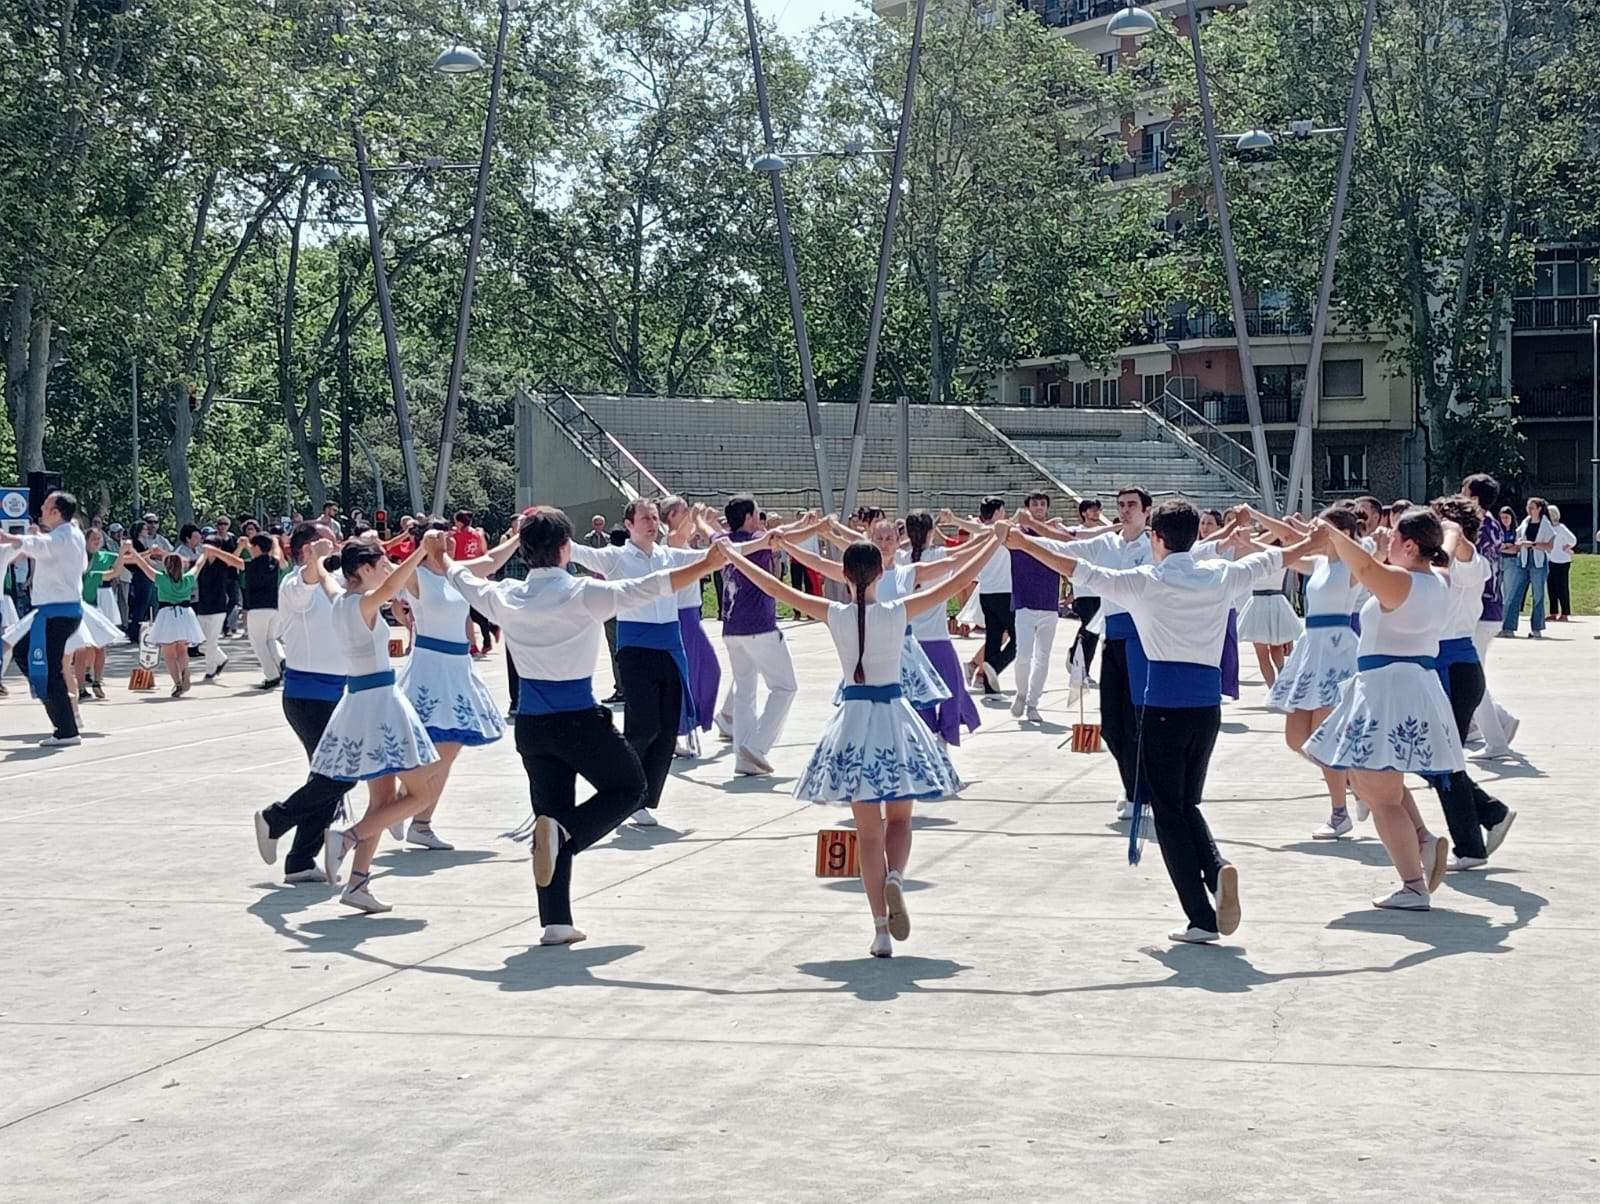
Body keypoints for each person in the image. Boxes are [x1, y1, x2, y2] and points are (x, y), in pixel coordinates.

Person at [1009, 500, 1316, 943]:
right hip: (1207, 709)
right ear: (1194, 536)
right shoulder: (1219, 575)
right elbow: (1274, 557)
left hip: (1163, 707)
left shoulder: (1146, 582)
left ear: (1156, 538)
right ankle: (1215, 869)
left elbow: (1077, 570)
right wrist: (1319, 539)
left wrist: (1022, 542)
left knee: (1168, 810)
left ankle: (1201, 915)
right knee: (1185, 803)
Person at [447, 508, 727, 946]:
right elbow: (646, 588)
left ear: (524, 550)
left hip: (532, 727)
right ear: (565, 549)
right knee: (631, 787)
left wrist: (439, 557)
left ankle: (555, 921)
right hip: (578, 719)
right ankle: (567, 838)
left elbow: (463, 579)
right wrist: (707, 564)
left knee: (550, 812)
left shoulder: (505, 597)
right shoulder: (581, 594)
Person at [720, 528, 998, 957]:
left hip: (853, 719)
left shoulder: (834, 613)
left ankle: (880, 931)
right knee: (901, 820)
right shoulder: (899, 611)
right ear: (884, 570)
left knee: (868, 835)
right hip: (894, 718)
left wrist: (732, 557)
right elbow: (958, 578)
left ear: (845, 576)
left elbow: (773, 586)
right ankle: (897, 878)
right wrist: (996, 541)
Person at [1304, 510, 1461, 912]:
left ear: (1410, 546)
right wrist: (1451, 528)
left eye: (1395, 538)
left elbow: (1363, 564)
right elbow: (1448, 538)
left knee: (1381, 795)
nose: (1387, 541)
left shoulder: (1403, 581)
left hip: (1389, 689)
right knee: (1373, 778)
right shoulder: (1439, 579)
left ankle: (1413, 885)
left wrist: (1334, 535)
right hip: (1407, 685)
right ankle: (1423, 841)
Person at [318, 539, 445, 913]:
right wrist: (422, 550)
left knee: (383, 801)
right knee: (422, 793)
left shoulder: (339, 598)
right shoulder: (361, 601)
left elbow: (327, 579)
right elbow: (390, 588)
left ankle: (358, 883)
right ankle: (347, 838)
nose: (387, 567)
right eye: (382, 562)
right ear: (363, 569)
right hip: (379, 703)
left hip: (361, 700)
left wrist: (318, 562)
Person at [567, 497, 712, 825]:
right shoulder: (616, 558)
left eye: (654, 518)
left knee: (664, 731)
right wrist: (541, 529)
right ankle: (621, 787)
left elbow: (712, 557)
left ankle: (642, 798)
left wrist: (762, 542)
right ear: (629, 525)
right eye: (644, 518)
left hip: (671, 648)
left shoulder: (670, 556)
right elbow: (576, 550)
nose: (651, 523)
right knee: (643, 725)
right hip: (635, 649)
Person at [252, 525, 358, 885]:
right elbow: (310, 581)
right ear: (306, 549)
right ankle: (275, 819)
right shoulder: (295, 585)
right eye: (324, 541)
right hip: (308, 696)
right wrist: (316, 559)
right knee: (338, 774)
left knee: (329, 777)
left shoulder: (338, 580)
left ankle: (300, 860)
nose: (335, 544)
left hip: (336, 693)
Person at [393, 524, 507, 850]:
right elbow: (393, 576)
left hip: (458, 668)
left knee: (450, 749)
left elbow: (492, 560)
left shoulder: (457, 572)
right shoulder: (417, 576)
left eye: (449, 536)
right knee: (429, 746)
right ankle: (405, 803)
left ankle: (419, 817)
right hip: (429, 667)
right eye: (442, 537)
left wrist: (520, 532)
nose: (449, 541)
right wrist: (420, 550)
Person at [1255, 504, 1366, 839]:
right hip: (1311, 647)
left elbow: (1363, 550)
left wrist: (1322, 533)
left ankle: (1338, 812)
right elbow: (1287, 548)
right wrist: (1248, 536)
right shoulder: (1318, 564)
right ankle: (1352, 781)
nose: (1316, 533)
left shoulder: (1352, 565)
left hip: (1336, 648)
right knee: (1296, 738)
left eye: (1323, 528)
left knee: (1324, 736)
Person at [1428, 495, 1517, 871]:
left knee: (1443, 760)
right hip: (1444, 663)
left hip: (1454, 665)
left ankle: (1476, 837)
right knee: (1437, 759)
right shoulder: (1446, 561)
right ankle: (1486, 819)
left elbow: (1461, 551)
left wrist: (1451, 529)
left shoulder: (1469, 559)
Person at [1053, 486, 1153, 819]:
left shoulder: (1155, 545)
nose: (1125, 511)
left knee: (1140, 721)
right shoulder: (1106, 543)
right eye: (1121, 505)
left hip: (1144, 640)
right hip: (1114, 638)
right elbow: (1065, 546)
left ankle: (1141, 792)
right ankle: (1135, 788)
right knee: (1112, 724)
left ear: (1147, 510)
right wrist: (1022, 540)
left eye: (1132, 505)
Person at [715, 494, 799, 776]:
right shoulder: (758, 543)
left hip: (731, 627)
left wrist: (702, 520)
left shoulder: (724, 542)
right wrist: (818, 526)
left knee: (744, 691)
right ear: (750, 517)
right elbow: (787, 537)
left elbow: (708, 530)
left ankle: (744, 755)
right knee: (785, 686)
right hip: (758, 626)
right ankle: (757, 745)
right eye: (757, 513)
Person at [0, 492, 88, 746]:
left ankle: (66, 729)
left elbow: (43, 546)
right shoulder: (70, 535)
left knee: (48, 669)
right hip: (52, 611)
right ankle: (58, 713)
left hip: (57, 612)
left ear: (56, 512)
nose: (41, 508)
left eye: (46, 505)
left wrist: (11, 537)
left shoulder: (64, 535)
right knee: (25, 651)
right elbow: (44, 546)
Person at [1460, 474, 1519, 759]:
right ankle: (1502, 720)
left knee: (1472, 679)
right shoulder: (1492, 523)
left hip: (1480, 611)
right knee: (1473, 675)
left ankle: (1496, 740)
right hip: (1489, 609)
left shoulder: (1479, 528)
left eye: (1463, 490)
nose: (1459, 494)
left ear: (1475, 498)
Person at [130, 546, 216, 695]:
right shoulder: (188, 578)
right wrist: (205, 553)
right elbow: (198, 565)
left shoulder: (161, 578)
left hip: (167, 615)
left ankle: (177, 683)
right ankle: (185, 670)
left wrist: (132, 550)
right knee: (182, 650)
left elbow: (142, 565)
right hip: (185, 615)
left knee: (169, 654)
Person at [1235, 530, 1303, 687]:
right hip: (1275, 602)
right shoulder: (1282, 557)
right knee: (1275, 648)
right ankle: (1280, 682)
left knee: (1263, 653)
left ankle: (1274, 688)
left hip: (1259, 603)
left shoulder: (1255, 558)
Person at [1499, 496, 1555, 638]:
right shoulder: (1525, 522)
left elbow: (1549, 546)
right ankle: (1508, 627)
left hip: (1538, 563)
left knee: (1538, 595)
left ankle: (1536, 628)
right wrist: (1519, 543)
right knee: (1514, 593)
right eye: (1528, 507)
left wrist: (1533, 544)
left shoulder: (1546, 525)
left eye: (1532, 508)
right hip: (1522, 561)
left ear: (1539, 509)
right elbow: (1518, 538)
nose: (1528, 510)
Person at [192, 535, 242, 680]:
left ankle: (210, 671)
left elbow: (236, 561)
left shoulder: (222, 562)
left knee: (211, 642)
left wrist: (217, 552)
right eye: (205, 544)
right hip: (203, 606)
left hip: (218, 606)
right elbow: (185, 564)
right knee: (201, 643)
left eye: (211, 545)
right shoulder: (200, 562)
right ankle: (221, 659)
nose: (207, 547)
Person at [241, 531, 286, 687]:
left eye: (252, 546)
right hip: (274, 607)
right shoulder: (274, 562)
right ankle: (281, 658)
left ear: (257, 547)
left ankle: (272, 675)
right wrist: (274, 541)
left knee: (258, 643)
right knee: (271, 639)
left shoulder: (251, 564)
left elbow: (232, 561)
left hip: (257, 608)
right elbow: (277, 554)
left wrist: (215, 552)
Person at [450, 510, 496, 656]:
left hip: (462, 572)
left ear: (459, 522)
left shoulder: (456, 536)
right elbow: (484, 551)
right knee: (476, 608)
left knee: (468, 611)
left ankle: (476, 642)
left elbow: (453, 554)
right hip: (477, 572)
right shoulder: (478, 534)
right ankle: (488, 636)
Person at [1546, 504, 1577, 621]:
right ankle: (1553, 612)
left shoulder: (1561, 528)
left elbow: (1573, 539)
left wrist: (1567, 547)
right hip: (1550, 560)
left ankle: (1565, 612)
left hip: (1562, 561)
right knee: (1551, 587)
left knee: (1562, 587)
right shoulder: (1547, 528)